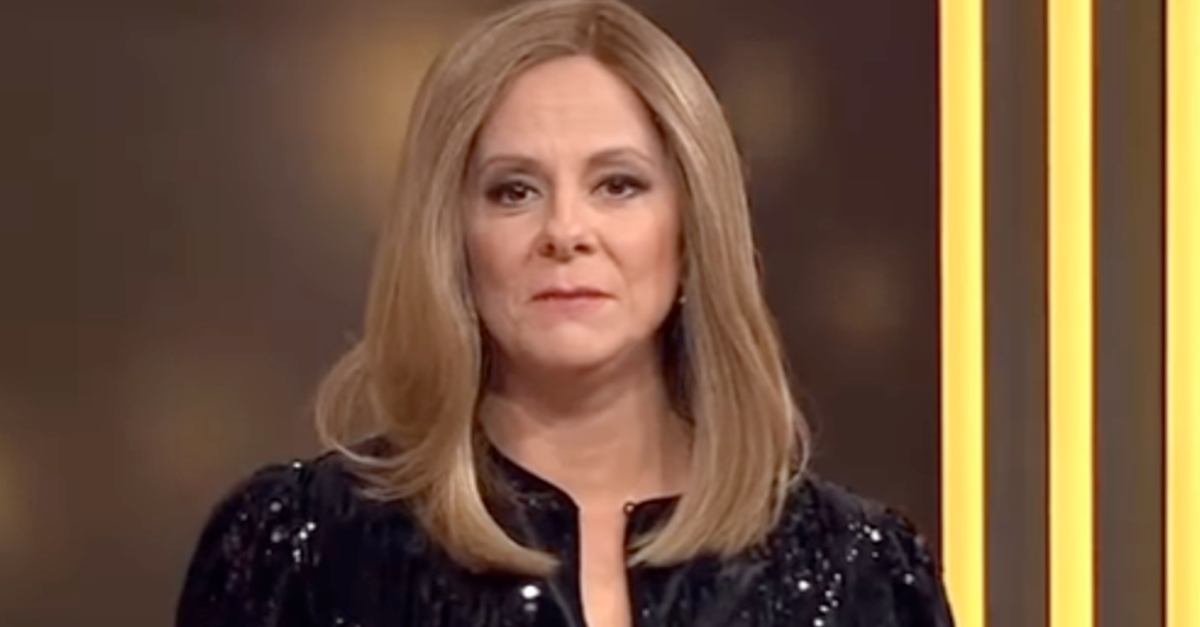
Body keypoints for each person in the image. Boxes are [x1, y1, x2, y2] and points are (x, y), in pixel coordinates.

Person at [175, 0, 955, 625]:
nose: (566, 231)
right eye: (514, 190)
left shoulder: (860, 569)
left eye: (618, 184)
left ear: (691, 231)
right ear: (452, 239)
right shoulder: (301, 549)